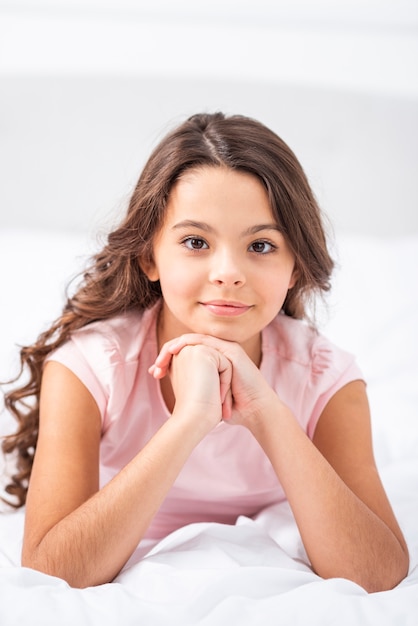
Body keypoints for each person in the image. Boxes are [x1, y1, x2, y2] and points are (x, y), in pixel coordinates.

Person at [1, 112, 408, 591]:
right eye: (196, 242)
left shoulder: (325, 378)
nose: (228, 272)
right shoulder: (88, 368)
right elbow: (51, 570)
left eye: (260, 245)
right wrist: (190, 418)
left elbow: (379, 574)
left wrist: (264, 410)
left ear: (295, 266)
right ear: (150, 256)